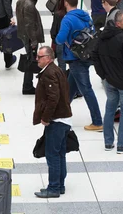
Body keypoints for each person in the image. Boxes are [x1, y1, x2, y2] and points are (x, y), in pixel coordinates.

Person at [56, 0, 103, 131]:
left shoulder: (67, 19)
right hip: (86, 55)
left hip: (74, 57)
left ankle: (97, 121)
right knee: (70, 87)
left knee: (86, 89)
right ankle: (61, 112)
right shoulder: (85, 15)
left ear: (66, 3)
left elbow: (59, 39)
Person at [94, 11, 123, 153]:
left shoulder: (102, 37)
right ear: (118, 23)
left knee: (109, 110)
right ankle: (122, 144)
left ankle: (108, 142)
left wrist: (103, 75)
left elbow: (95, 56)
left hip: (109, 81)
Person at [32, 47, 72, 198]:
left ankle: (54, 187)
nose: (37, 59)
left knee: (52, 155)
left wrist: (45, 118)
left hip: (57, 120)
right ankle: (59, 185)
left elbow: (53, 98)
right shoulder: (56, 70)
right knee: (60, 153)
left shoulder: (49, 74)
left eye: (40, 56)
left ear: (48, 58)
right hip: (64, 118)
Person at [16, 0, 44, 95]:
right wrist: (33, 40)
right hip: (29, 37)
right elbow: (29, 25)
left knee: (30, 59)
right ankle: (27, 86)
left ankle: (28, 84)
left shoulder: (21, 1)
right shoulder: (29, 5)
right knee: (30, 60)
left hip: (23, 35)